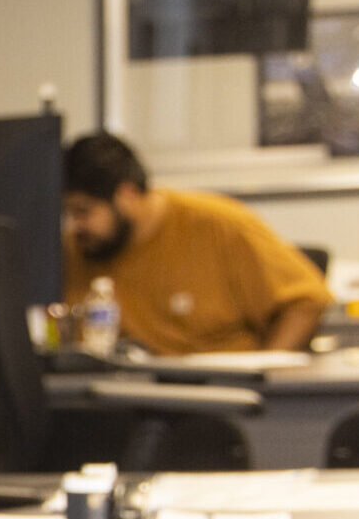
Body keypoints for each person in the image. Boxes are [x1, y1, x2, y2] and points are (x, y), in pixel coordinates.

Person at [62, 131, 331, 355]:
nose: (75, 226)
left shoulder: (219, 225)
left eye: (83, 212)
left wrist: (267, 376)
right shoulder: (79, 248)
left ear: (128, 194)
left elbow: (307, 302)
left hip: (221, 400)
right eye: (69, 214)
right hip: (130, 397)